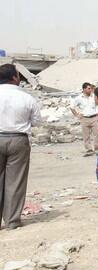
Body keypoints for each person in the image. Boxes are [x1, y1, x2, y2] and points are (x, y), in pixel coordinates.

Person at [0, 64, 41, 230]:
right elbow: (37, 121)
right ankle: (12, 221)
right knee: (15, 182)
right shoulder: (26, 97)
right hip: (18, 139)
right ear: (14, 78)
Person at [71, 82, 98, 156]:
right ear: (84, 89)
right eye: (88, 88)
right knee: (86, 135)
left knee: (97, 134)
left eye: (90, 88)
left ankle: (97, 149)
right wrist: (77, 115)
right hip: (84, 118)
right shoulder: (79, 98)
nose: (90, 90)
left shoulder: (94, 96)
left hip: (94, 117)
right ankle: (89, 149)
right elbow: (72, 107)